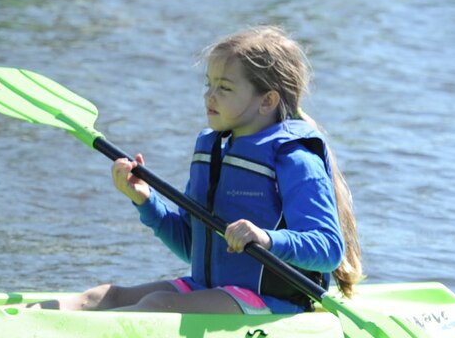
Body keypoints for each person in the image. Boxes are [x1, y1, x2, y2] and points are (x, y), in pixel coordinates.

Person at [35, 26, 362, 315]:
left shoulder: (294, 158)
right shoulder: (214, 149)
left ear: (267, 101)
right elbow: (194, 246)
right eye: (209, 84)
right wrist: (146, 203)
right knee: (105, 295)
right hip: (210, 292)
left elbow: (328, 249)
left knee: (155, 306)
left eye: (225, 87)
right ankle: (18, 319)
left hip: (269, 304)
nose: (210, 95)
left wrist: (265, 238)